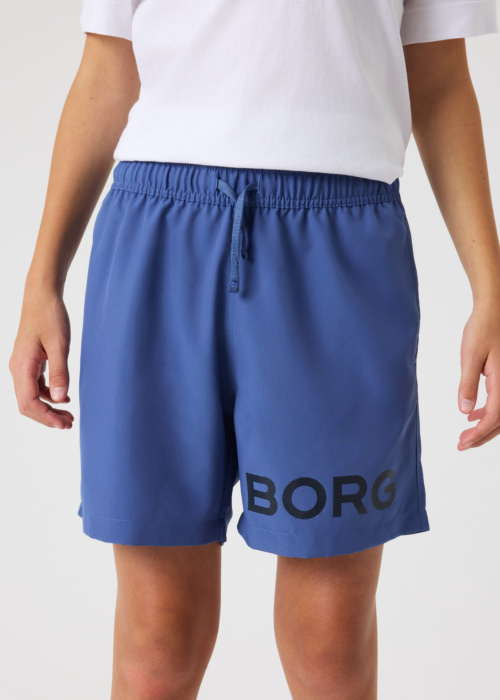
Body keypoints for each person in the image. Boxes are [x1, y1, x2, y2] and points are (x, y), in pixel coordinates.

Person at [8, 1, 500, 698]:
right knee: (156, 647)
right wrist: (41, 281)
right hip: (159, 236)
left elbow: (440, 76)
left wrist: (490, 290)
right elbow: (106, 68)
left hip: (338, 248)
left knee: (331, 649)